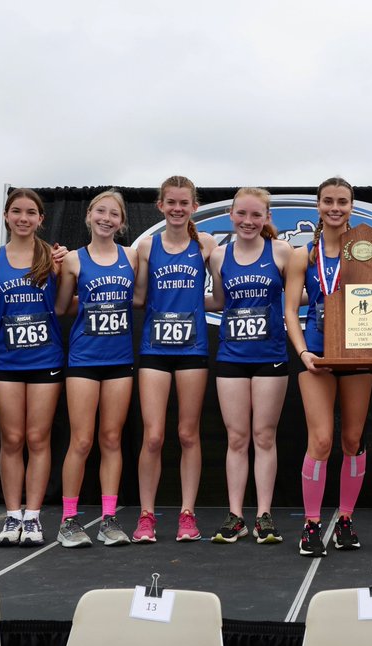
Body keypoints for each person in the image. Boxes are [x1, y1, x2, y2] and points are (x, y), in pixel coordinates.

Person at [284, 177, 372, 557]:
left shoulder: (366, 248)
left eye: (342, 201)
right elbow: (289, 312)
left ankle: (345, 518)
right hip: (317, 355)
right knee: (322, 441)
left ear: (352, 206)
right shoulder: (304, 255)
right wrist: (302, 354)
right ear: (317, 206)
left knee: (351, 440)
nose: (335, 207)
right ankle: (311, 524)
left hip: (359, 354)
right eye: (328, 201)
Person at [130, 176, 216, 544]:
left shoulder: (207, 245)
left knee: (187, 434)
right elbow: (138, 297)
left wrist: (195, 307)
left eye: (184, 203)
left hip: (193, 349)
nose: (178, 209)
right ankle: (147, 515)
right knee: (153, 436)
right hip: (154, 350)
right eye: (171, 203)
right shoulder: (147, 248)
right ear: (160, 206)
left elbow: (224, 298)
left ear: (194, 207)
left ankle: (187, 514)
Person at [0, 188, 64, 548]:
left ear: (40, 219)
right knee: (11, 440)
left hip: (45, 359)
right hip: (6, 361)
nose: (24, 217)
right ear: (6, 216)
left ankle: (33, 517)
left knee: (37, 438)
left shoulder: (55, 257)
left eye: (31, 212)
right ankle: (12, 515)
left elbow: (64, 307)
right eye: (17, 211)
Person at [208, 188, 293, 545]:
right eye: (242, 213)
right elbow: (219, 300)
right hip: (231, 356)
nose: (248, 221)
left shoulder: (282, 252)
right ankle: (235, 516)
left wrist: (333, 298)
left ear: (267, 218)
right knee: (237, 437)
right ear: (231, 214)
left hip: (270, 356)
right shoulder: (217, 256)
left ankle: (264, 516)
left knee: (264, 436)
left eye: (256, 215)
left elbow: (298, 293)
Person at [54, 190, 137, 548]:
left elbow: (142, 298)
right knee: (82, 440)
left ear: (121, 222)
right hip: (84, 360)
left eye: (114, 214)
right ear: (89, 215)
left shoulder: (133, 257)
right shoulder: (72, 260)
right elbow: (61, 307)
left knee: (112, 439)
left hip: (120, 361)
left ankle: (109, 518)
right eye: (100, 211)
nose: (106, 218)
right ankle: (69, 520)